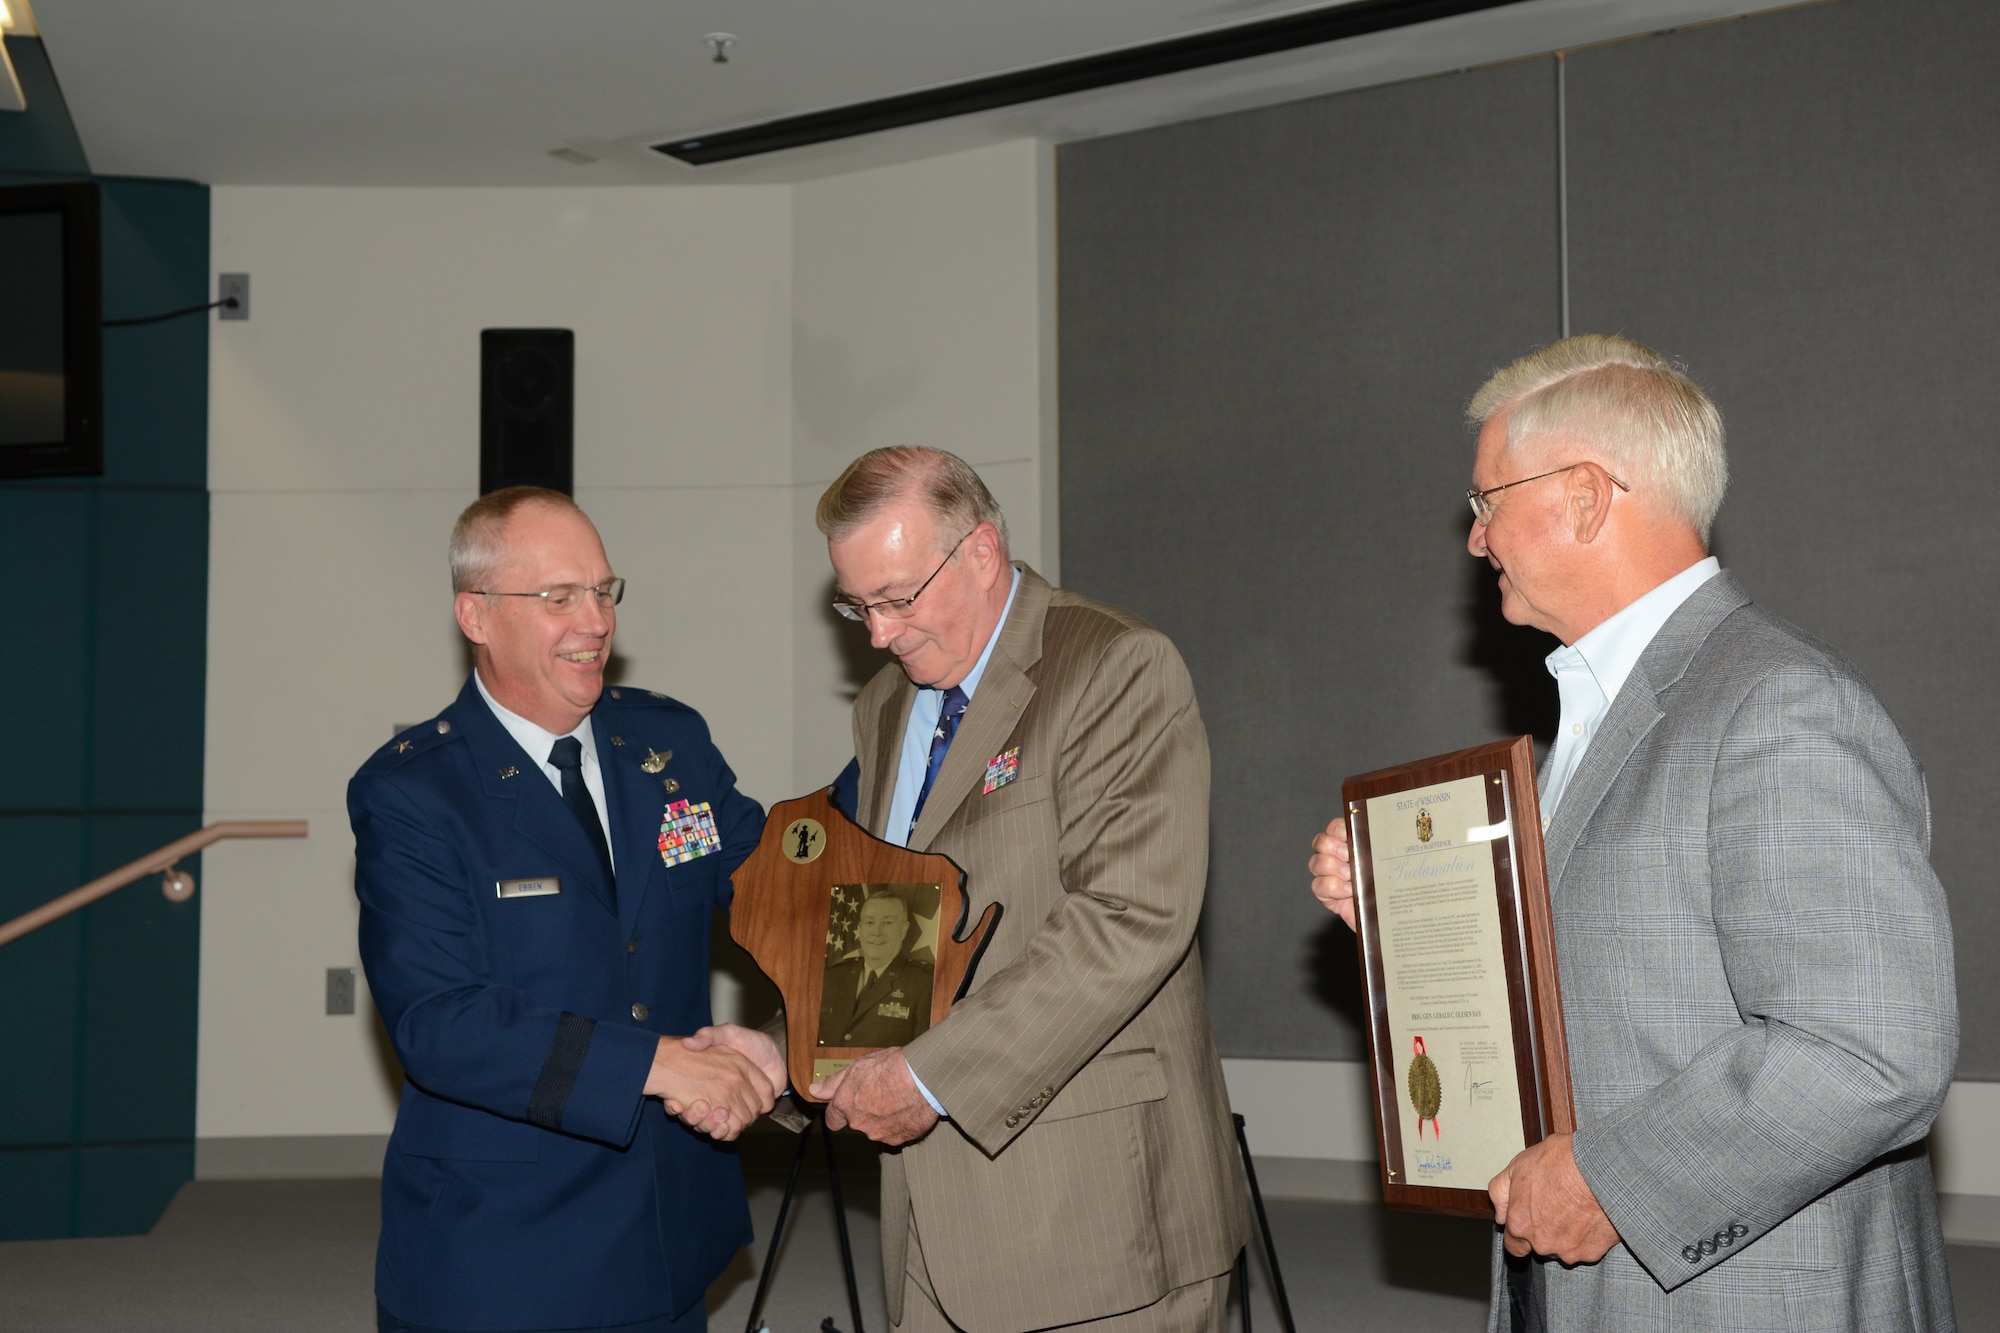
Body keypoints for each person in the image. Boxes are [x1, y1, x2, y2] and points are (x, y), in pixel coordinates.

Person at [1307, 336, 1959, 1331]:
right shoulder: (1572, 730)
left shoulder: (1778, 705)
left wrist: (1610, 1178)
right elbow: (1608, 968)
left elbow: (1868, 1047)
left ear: (1581, 497)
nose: (1474, 539)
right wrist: (1402, 920)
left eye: (1485, 503)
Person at [809, 447, 1250, 1333]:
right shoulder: (889, 704)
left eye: (896, 598)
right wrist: (795, 1057)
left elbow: (1130, 921)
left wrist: (928, 1078)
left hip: (1090, 1217)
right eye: (857, 606)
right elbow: (889, 923)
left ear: (978, 552)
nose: (878, 635)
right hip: (927, 1219)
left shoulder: (1113, 666)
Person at [350, 486, 786, 1333]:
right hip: (506, 1250)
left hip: (666, 1232)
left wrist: (778, 1040)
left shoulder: (671, 747)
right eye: (558, 597)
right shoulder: (414, 792)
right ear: (476, 613)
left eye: (603, 590)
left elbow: (781, 897)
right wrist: (662, 1066)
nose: (594, 620)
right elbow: (443, 1021)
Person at [818, 889, 935, 1047]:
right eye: (869, 922)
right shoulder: (833, 977)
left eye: (887, 923)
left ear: (903, 929)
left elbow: (923, 1052)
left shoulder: (922, 983)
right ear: (860, 928)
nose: (876, 932)